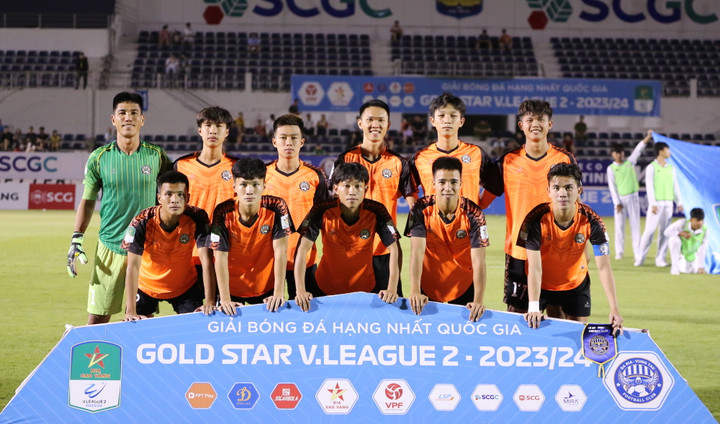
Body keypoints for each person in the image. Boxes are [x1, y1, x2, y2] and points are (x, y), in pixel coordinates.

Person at [66, 92, 171, 325]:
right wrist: (76, 238)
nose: (128, 117)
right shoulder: (99, 157)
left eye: (134, 113)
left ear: (142, 119)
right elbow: (88, 200)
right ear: (113, 119)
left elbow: (170, 198)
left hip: (146, 248)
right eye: (122, 113)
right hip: (110, 245)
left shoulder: (157, 156)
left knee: (142, 318)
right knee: (97, 318)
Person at [518, 163, 623, 335]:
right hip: (542, 284)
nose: (562, 193)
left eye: (568, 187)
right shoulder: (535, 219)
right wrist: (534, 307)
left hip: (575, 283)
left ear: (579, 190)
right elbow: (534, 267)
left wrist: (614, 309)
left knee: (577, 336)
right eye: (556, 188)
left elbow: (604, 267)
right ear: (548, 191)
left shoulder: (592, 220)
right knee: (535, 334)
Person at [498, 99, 575, 314]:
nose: (535, 124)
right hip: (519, 251)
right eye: (530, 119)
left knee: (557, 315)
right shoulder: (507, 161)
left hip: (557, 250)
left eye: (541, 119)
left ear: (550, 124)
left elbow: (575, 206)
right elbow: (483, 197)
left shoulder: (564, 159)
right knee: (517, 316)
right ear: (521, 125)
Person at [334, 100, 417, 298]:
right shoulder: (345, 159)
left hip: (384, 252)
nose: (375, 124)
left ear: (388, 125)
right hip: (350, 251)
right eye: (370, 119)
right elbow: (332, 201)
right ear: (360, 123)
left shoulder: (399, 162)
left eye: (381, 120)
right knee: (348, 309)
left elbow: (414, 204)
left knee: (390, 309)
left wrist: (417, 234)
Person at [294, 162, 400, 312]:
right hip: (324, 288)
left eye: (358, 186)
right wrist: (300, 291)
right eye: (347, 186)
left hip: (365, 289)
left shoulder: (377, 210)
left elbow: (394, 249)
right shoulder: (321, 210)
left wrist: (392, 289)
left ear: (366, 189)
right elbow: (302, 249)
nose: (352, 191)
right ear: (336, 188)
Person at [121, 171, 215, 321]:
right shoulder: (142, 221)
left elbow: (207, 261)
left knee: (195, 328)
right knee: (135, 328)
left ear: (188, 198)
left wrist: (210, 302)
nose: (174, 200)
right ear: (159, 198)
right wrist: (130, 310)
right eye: (169, 194)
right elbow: (132, 267)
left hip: (185, 286)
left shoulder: (197, 217)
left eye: (180, 195)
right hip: (146, 286)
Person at [406, 156, 489, 322]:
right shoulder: (419, 209)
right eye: (442, 182)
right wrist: (415, 291)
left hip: (463, 286)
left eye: (453, 182)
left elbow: (479, 260)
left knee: (463, 334)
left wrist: (478, 300)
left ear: (461, 183)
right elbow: (417, 253)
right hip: (428, 285)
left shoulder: (474, 213)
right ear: (433, 184)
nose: (448, 187)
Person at [209, 158, 293, 315]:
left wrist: (278, 293)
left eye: (255, 184)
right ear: (234, 187)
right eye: (243, 185)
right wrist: (225, 299)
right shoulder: (222, 211)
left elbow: (281, 252)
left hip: (265, 287)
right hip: (231, 289)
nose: (249, 191)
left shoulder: (277, 207)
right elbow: (219, 257)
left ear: (264, 186)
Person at [264, 114, 330, 299]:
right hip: (268, 262)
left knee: (307, 311)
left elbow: (324, 218)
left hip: (305, 260)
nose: (288, 142)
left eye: (294, 138)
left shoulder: (316, 176)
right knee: (268, 312)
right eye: (283, 137)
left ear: (302, 142)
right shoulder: (262, 175)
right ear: (274, 141)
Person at [174, 106, 238, 278]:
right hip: (188, 251)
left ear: (226, 132)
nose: (213, 131)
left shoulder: (236, 168)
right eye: (208, 125)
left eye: (219, 126)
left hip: (225, 253)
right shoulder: (182, 165)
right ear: (200, 130)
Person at [411, 92, 502, 210]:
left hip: (469, 222)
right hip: (432, 222)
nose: (447, 120)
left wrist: (479, 206)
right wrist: (417, 211)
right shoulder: (420, 158)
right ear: (432, 121)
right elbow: (407, 187)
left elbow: (495, 182)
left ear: (461, 121)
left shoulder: (476, 153)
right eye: (441, 115)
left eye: (453, 115)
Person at [635, 141, 683, 267]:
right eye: (667, 149)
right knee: (649, 231)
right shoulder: (651, 167)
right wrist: (653, 204)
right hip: (656, 204)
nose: (669, 152)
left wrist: (679, 202)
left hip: (668, 204)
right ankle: (640, 257)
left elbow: (675, 187)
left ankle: (660, 259)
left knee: (665, 232)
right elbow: (649, 186)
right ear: (661, 151)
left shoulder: (671, 168)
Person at [607, 130, 651, 260]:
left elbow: (638, 149)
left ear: (623, 153)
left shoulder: (630, 162)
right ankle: (619, 252)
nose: (619, 155)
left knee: (635, 225)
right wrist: (617, 203)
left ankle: (637, 252)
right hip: (620, 200)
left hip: (633, 197)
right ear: (613, 154)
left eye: (621, 152)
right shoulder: (611, 168)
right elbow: (612, 187)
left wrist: (648, 137)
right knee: (619, 227)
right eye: (616, 153)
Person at [665, 208, 708, 275]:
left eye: (702, 220)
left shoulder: (705, 230)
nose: (700, 223)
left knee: (692, 271)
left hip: (692, 254)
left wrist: (701, 267)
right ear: (691, 220)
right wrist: (680, 233)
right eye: (698, 220)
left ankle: (680, 260)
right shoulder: (682, 223)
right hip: (682, 250)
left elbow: (702, 249)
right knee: (674, 240)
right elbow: (666, 232)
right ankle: (675, 269)